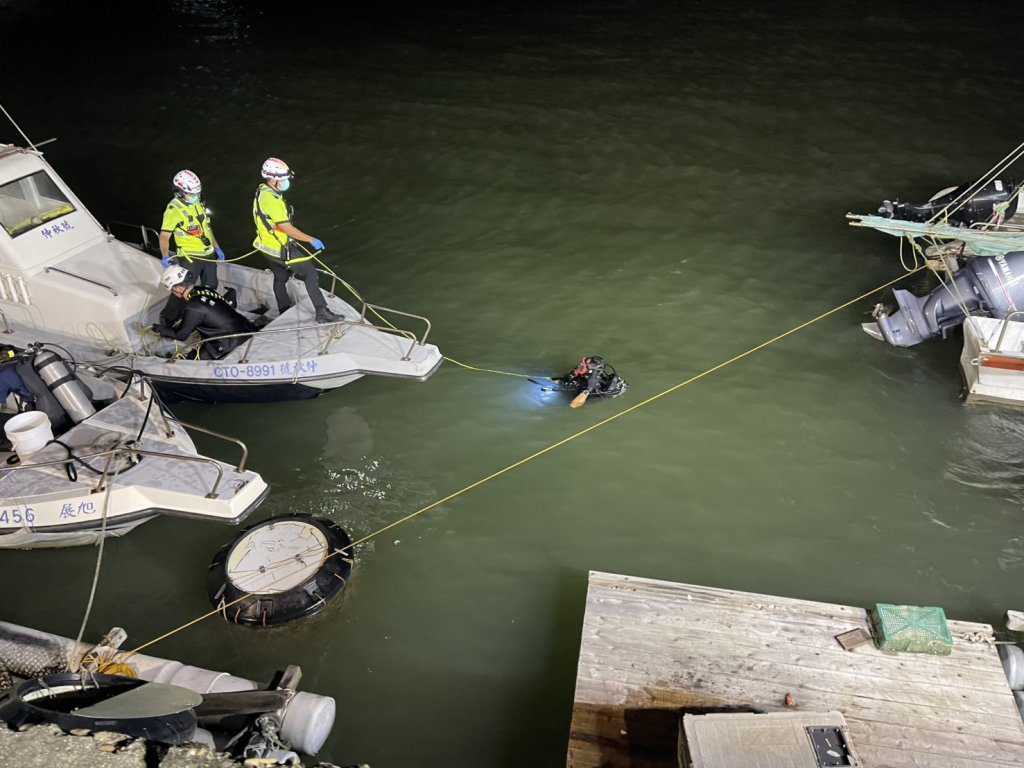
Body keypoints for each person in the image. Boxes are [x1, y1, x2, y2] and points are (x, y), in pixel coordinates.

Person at [252, 157, 343, 324]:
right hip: (279, 248)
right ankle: (322, 311)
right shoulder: (271, 200)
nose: (286, 182)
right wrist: (311, 239)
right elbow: (287, 228)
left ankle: (284, 308)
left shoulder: (263, 191)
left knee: (280, 275)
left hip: (267, 247)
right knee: (310, 272)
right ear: (273, 178)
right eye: (283, 179)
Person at [152, 266, 256, 360]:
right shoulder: (204, 289)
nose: (173, 293)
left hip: (228, 343)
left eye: (172, 290)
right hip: (246, 328)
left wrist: (162, 330)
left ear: (178, 288)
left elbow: (181, 336)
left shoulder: (193, 307)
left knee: (190, 359)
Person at [159, 170, 225, 290]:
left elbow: (207, 228)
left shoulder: (198, 203)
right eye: (192, 194)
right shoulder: (174, 210)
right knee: (185, 289)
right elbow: (164, 236)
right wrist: (165, 254)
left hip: (209, 255)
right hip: (190, 258)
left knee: (211, 287)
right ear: (180, 192)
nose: (196, 197)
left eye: (197, 193)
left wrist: (216, 247)